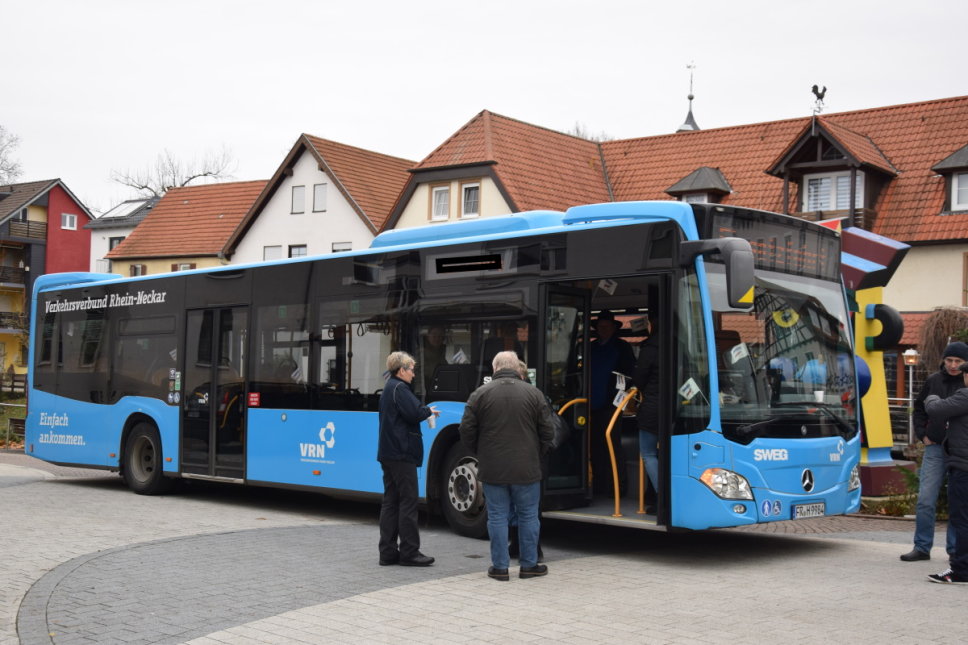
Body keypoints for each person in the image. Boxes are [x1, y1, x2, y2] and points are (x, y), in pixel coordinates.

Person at [459, 350, 554, 581]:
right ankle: (529, 565)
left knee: (497, 516)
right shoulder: (534, 393)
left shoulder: (479, 394)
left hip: (493, 468)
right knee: (529, 516)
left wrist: (479, 452)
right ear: (516, 367)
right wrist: (535, 453)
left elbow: (466, 430)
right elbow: (548, 432)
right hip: (527, 468)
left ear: (495, 369)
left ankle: (500, 568)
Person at [899, 341, 967, 563]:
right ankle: (922, 546)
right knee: (926, 499)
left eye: (958, 361)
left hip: (960, 450)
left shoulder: (967, 384)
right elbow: (919, 409)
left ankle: (955, 550)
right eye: (949, 360)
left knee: (957, 503)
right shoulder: (933, 381)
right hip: (936, 446)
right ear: (943, 360)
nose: (953, 365)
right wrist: (922, 434)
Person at [377, 351, 439, 567]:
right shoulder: (400, 388)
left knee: (391, 502)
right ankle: (410, 552)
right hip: (402, 453)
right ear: (401, 370)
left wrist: (423, 410)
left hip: (389, 453)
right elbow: (414, 413)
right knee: (408, 501)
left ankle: (387, 552)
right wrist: (428, 411)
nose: (413, 373)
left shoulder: (389, 387)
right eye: (411, 369)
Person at [923, 360, 968, 583]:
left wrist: (932, 396)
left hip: (963, 467)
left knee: (961, 520)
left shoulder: (965, 396)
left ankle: (960, 570)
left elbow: (935, 409)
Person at [589, 310, 636, 496]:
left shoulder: (622, 347)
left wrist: (619, 396)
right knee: (595, 447)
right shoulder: (591, 347)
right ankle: (599, 486)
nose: (603, 330)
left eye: (607, 327)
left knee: (612, 445)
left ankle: (618, 487)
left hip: (611, 405)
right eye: (600, 327)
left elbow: (629, 373)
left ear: (613, 328)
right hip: (590, 403)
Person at [633, 317, 660, 513]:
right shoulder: (679, 344)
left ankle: (662, 496)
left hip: (651, 407)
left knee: (649, 454)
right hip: (673, 408)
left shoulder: (650, 348)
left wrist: (633, 388)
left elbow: (640, 377)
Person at [422, 325, 448, 393]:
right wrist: (421, 392)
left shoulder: (440, 354)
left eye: (440, 336)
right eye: (434, 335)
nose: (437, 338)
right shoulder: (421, 353)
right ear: (428, 336)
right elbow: (418, 374)